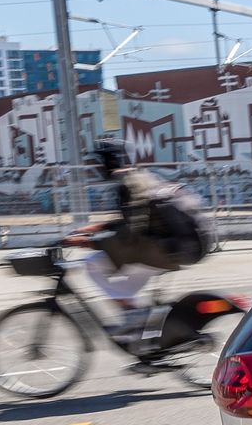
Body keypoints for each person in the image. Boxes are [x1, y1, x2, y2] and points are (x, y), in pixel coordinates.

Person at [62, 139, 210, 334]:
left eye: (98, 163)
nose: (97, 168)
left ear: (107, 162)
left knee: (93, 263)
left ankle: (137, 317)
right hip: (175, 246)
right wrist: (96, 228)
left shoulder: (126, 184)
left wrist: (87, 242)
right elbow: (137, 219)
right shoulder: (139, 177)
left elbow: (129, 235)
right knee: (118, 281)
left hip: (167, 250)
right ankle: (141, 322)